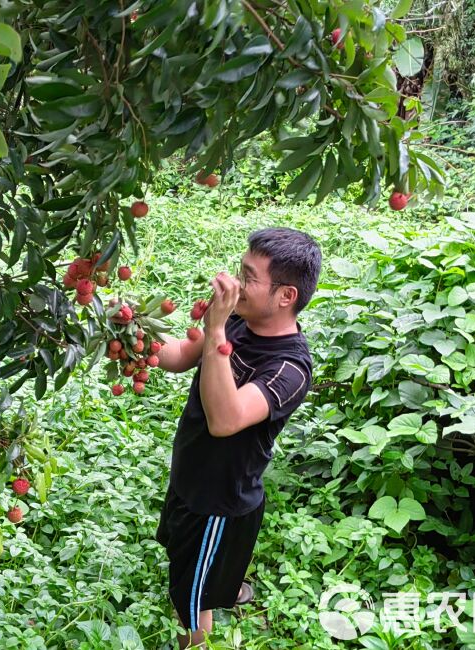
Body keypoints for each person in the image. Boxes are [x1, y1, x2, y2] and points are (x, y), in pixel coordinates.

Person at [154, 227, 322, 649]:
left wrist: (215, 332)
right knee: (183, 561)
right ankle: (225, 585)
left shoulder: (290, 368)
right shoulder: (236, 319)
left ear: (285, 296)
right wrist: (130, 328)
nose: (234, 283)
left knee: (193, 605)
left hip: (218, 502)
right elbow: (178, 356)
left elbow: (225, 420)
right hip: (189, 476)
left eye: (249, 277)